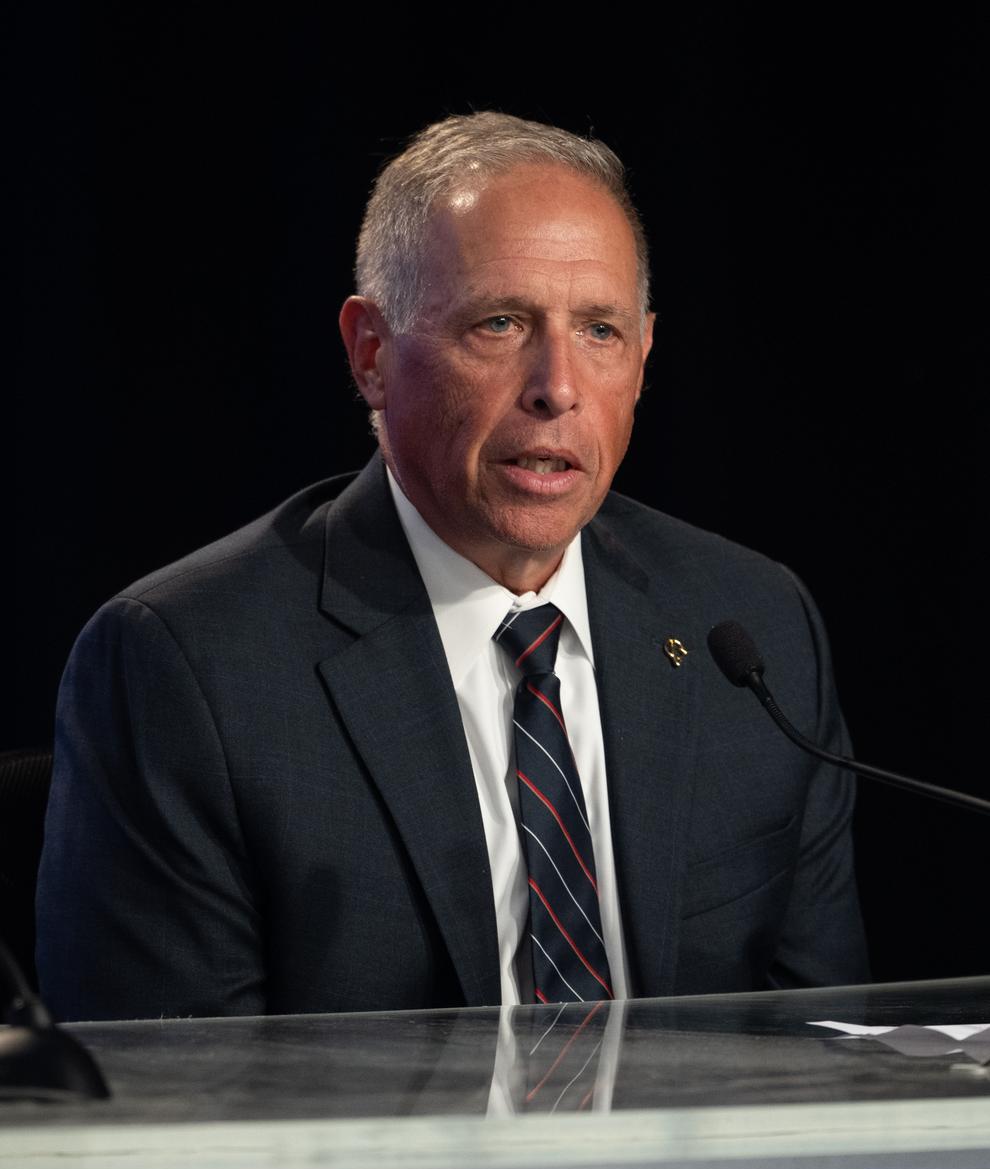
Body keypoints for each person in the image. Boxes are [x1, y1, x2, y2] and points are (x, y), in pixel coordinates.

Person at [36, 113, 868, 1021]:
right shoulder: (193, 668)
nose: (557, 387)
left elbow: (823, 1038)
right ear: (371, 354)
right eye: (500, 323)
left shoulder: (749, 625)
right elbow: (177, 1089)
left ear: (643, 359)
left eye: (599, 330)